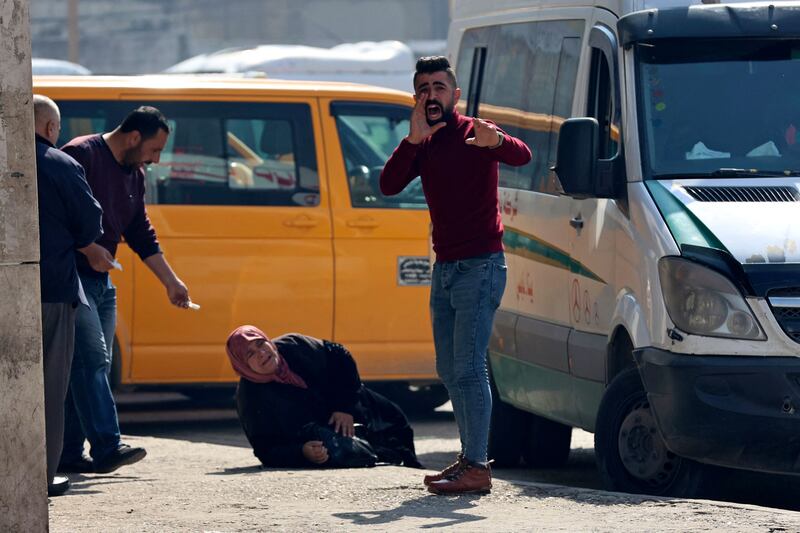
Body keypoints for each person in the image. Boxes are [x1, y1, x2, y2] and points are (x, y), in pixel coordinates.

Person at [380, 56, 531, 495]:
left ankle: (478, 466)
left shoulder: (474, 132)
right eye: (424, 88)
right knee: (448, 368)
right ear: (416, 97)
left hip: (480, 266)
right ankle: (468, 458)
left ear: (455, 94)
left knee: (468, 367)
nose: (432, 94)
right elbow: (388, 185)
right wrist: (411, 140)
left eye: (439, 87)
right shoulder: (422, 142)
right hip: (445, 268)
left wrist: (497, 139)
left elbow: (521, 154)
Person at [58, 106, 192, 474]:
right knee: (93, 360)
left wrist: (171, 282)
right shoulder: (80, 155)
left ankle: (68, 454)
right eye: (155, 150)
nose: (156, 159)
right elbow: (53, 214)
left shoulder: (135, 175)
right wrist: (87, 247)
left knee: (82, 367)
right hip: (73, 278)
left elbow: (140, 233)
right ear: (134, 138)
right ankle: (108, 446)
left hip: (102, 283)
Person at [33, 95, 104, 496]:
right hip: (51, 289)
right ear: (49, 128)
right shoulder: (60, 164)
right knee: (48, 387)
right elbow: (90, 225)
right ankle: (39, 477)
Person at [226, 325, 422, 469]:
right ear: (243, 365)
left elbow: (340, 355)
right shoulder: (250, 397)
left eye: (261, 344)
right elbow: (265, 449)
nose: (261, 353)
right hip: (325, 441)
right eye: (250, 354)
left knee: (394, 425)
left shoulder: (294, 346)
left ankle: (412, 467)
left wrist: (344, 407)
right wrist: (302, 452)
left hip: (351, 409)